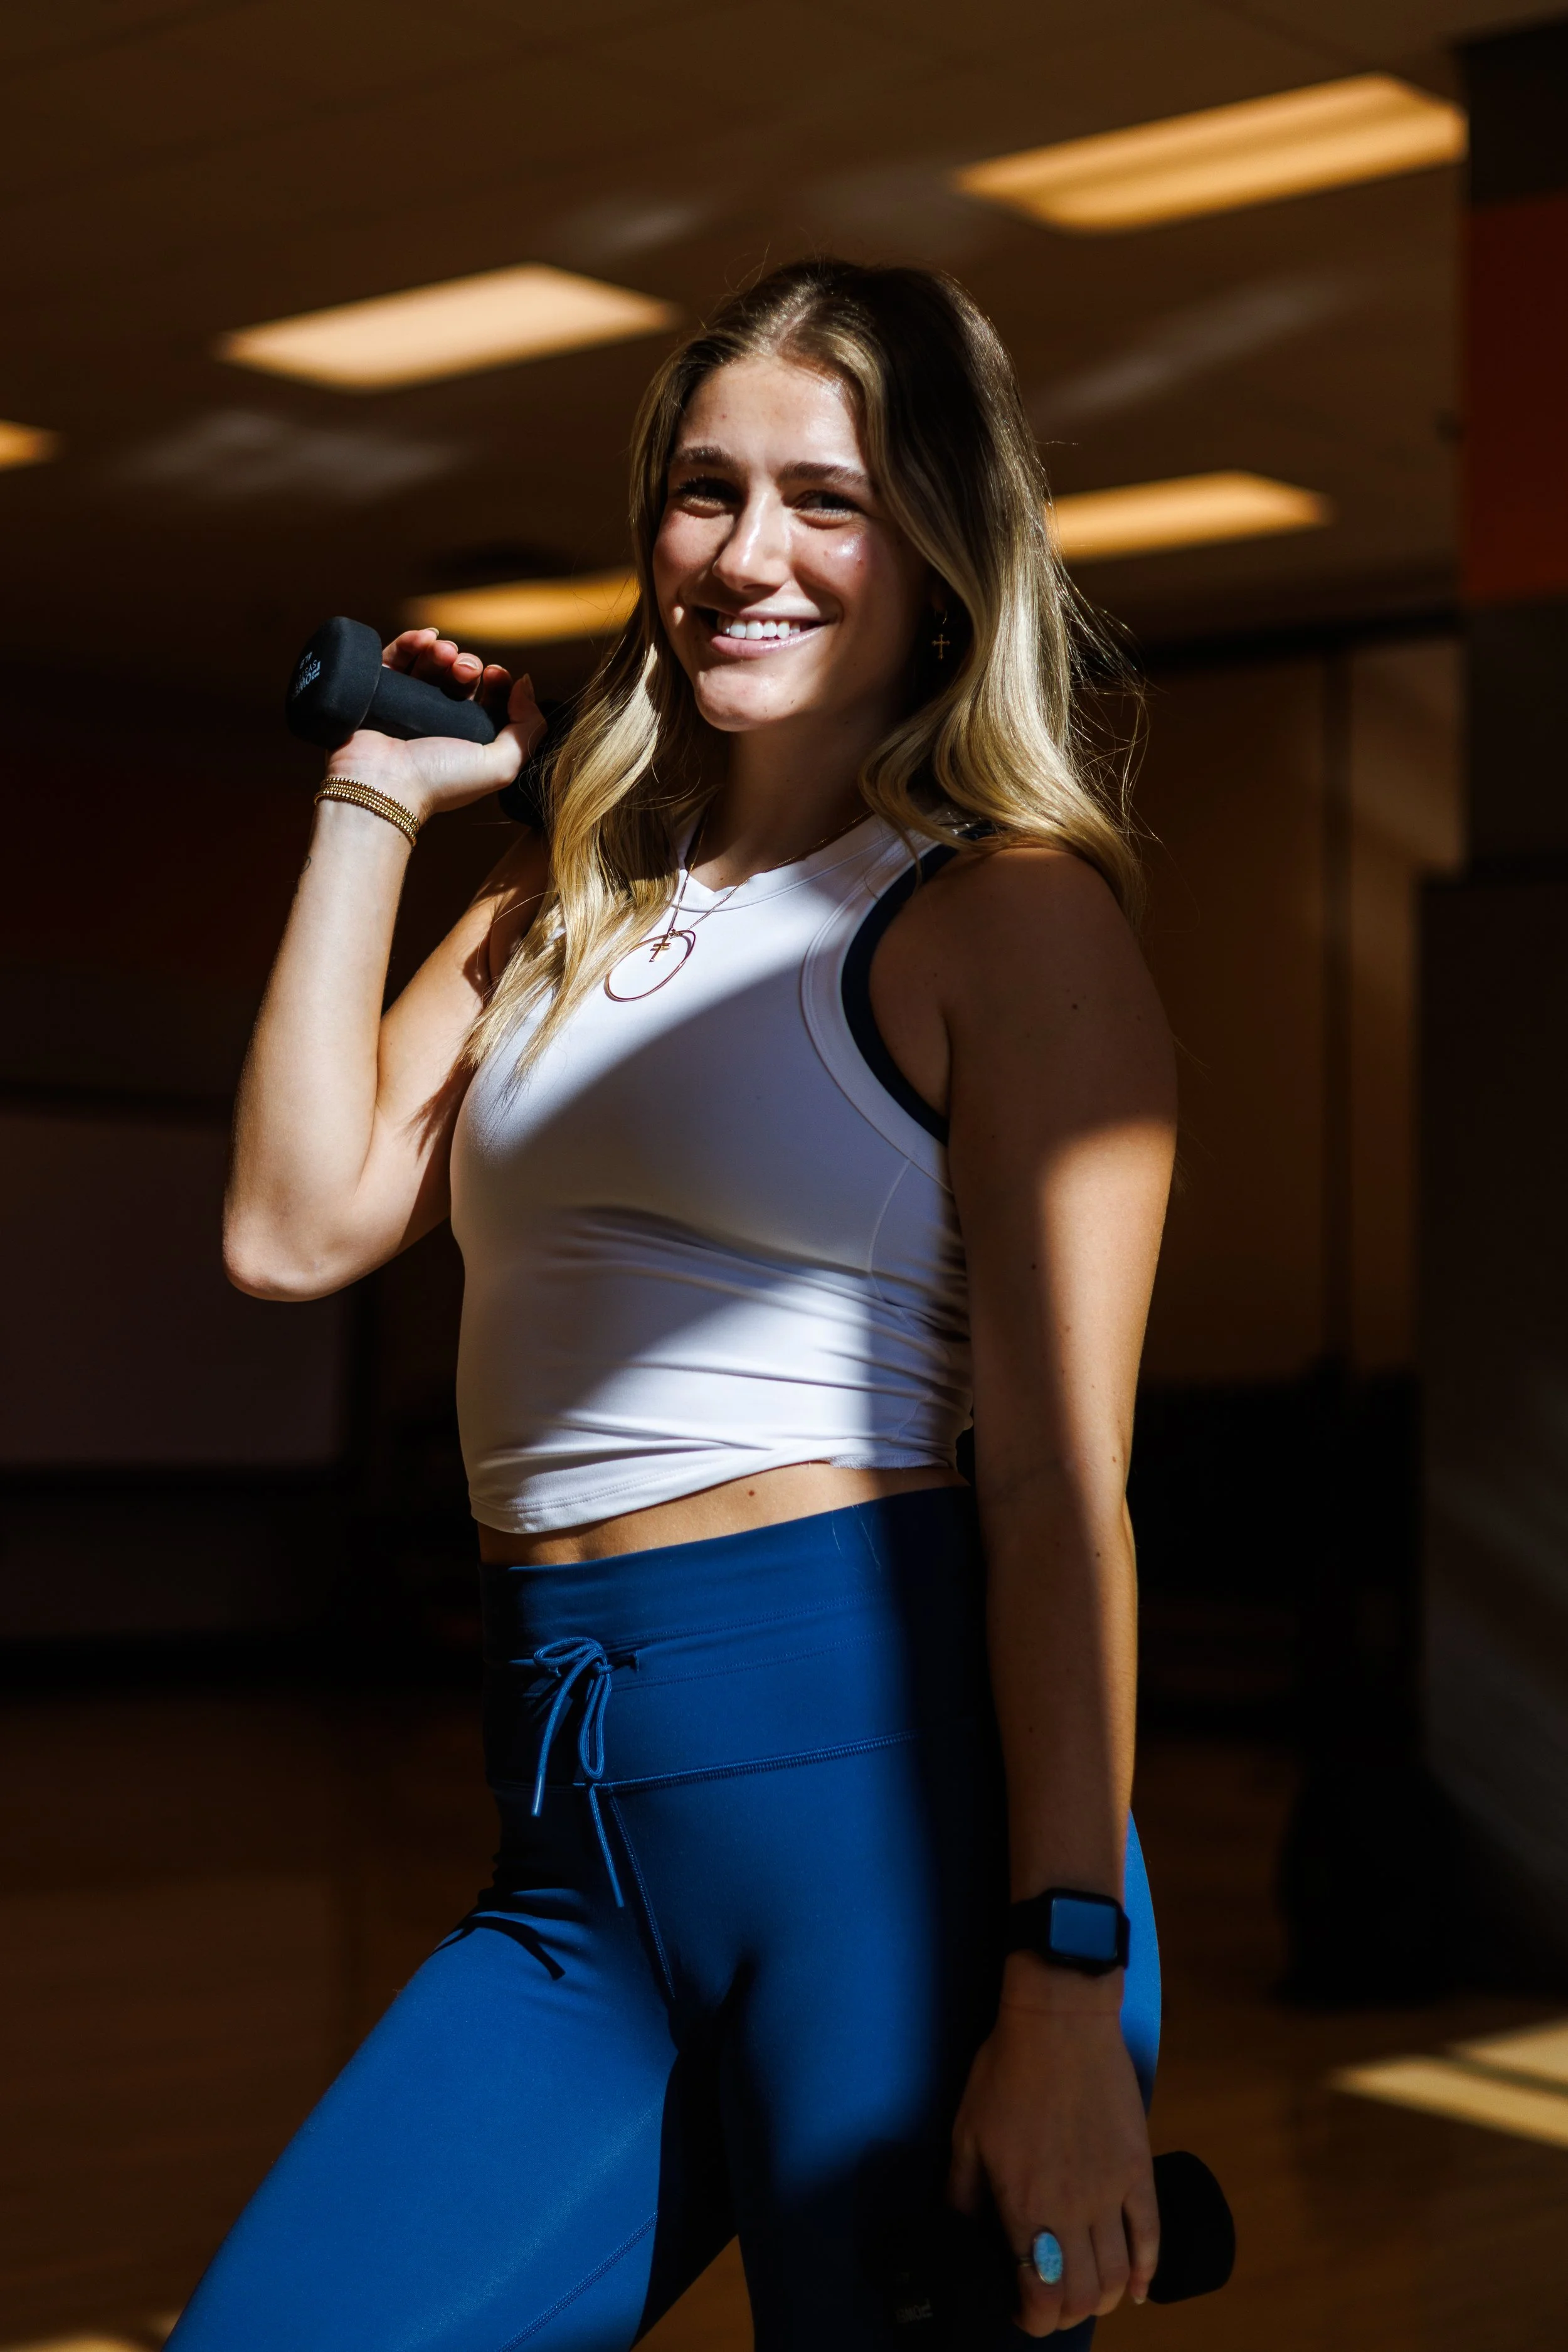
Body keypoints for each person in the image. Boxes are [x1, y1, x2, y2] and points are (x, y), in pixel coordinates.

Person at [187, 257, 1176, 2351]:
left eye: (824, 498)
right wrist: (376, 801)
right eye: (702, 491)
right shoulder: (561, 899)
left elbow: (1056, 1497)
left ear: (940, 549)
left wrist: (1065, 1981)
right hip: (568, 1816)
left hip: (884, 1815)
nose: (748, 554)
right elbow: (290, 1229)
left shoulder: (999, 915)